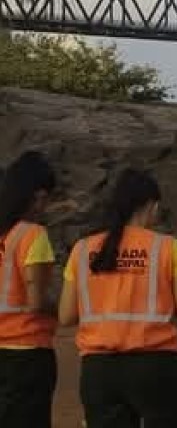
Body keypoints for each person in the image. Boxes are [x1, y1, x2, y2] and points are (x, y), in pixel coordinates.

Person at [58, 168, 177, 428]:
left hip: (98, 370)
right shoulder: (168, 247)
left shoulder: (82, 250)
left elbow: (66, 316)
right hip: (156, 366)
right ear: (151, 205)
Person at [0, 152, 58, 428]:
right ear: (36, 196)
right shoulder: (33, 235)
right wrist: (66, 305)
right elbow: (36, 302)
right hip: (27, 350)